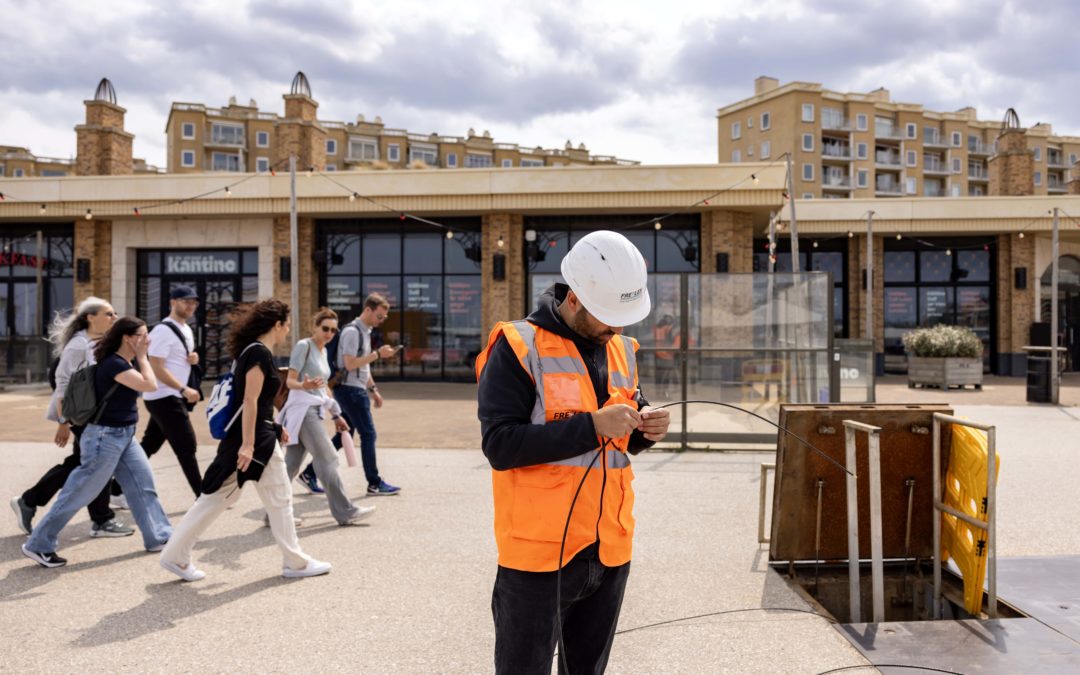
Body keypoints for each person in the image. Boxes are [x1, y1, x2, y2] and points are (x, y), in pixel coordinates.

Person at [476, 230, 671, 674]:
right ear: (575, 299)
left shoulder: (620, 348)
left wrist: (645, 428)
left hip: (608, 549)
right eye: (608, 316)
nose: (617, 328)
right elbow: (500, 445)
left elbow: (624, 430)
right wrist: (591, 426)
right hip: (539, 556)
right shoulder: (517, 345)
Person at [160, 299, 331, 581]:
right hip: (254, 441)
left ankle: (175, 556)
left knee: (223, 497)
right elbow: (249, 401)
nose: (288, 331)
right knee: (271, 499)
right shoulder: (258, 353)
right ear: (276, 325)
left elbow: (257, 403)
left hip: (257, 436)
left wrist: (275, 427)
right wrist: (249, 444)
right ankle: (295, 563)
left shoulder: (251, 352)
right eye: (287, 325)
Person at [22, 317, 173, 567]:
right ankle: (38, 544)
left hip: (124, 436)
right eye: (143, 335)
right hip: (105, 437)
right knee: (79, 491)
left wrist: (140, 357)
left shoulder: (124, 362)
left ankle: (158, 536)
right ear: (128, 338)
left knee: (143, 486)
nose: (148, 340)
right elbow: (149, 385)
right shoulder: (114, 364)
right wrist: (143, 357)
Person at [10, 297, 133, 538]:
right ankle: (101, 519)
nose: (114, 317)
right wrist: (63, 422)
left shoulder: (100, 341)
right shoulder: (78, 346)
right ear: (90, 317)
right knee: (97, 462)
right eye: (109, 313)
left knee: (84, 462)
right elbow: (62, 383)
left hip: (94, 413)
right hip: (80, 414)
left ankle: (30, 500)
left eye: (115, 313)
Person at [279, 308, 376, 526]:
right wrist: (303, 385)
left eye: (333, 330)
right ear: (314, 327)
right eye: (325, 328)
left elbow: (324, 388)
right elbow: (290, 381)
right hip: (303, 410)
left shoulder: (323, 352)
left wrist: (336, 415)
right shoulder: (304, 346)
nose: (329, 333)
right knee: (328, 458)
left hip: (314, 409)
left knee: (291, 464)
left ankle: (274, 513)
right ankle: (346, 511)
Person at [330, 293, 402, 496]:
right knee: (368, 434)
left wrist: (373, 389)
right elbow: (350, 364)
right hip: (350, 390)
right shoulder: (353, 332)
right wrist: (378, 354)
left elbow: (363, 366)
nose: (381, 321)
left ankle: (309, 473)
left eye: (384, 318)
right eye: (379, 316)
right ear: (368, 310)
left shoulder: (365, 331)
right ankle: (374, 483)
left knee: (344, 434)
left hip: (355, 389)